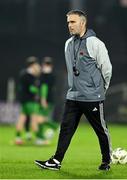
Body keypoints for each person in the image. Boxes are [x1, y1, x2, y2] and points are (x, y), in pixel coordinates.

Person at [35, 10, 112, 171]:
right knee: (66, 128)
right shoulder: (68, 43)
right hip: (73, 96)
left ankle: (106, 161)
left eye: (73, 22)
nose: (69, 25)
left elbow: (107, 69)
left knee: (100, 130)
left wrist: (101, 89)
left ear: (83, 23)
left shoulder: (95, 43)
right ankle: (56, 161)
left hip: (92, 97)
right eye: (68, 22)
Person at [15, 56, 41, 144]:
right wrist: (38, 91)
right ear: (33, 65)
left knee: (22, 118)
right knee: (34, 119)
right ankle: (38, 139)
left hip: (23, 100)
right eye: (36, 64)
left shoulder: (23, 73)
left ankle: (18, 138)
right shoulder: (30, 76)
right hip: (30, 100)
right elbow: (32, 89)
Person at [36, 57, 59, 145]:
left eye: (48, 64)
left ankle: (54, 127)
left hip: (47, 100)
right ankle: (40, 138)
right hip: (46, 99)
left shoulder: (47, 76)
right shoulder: (50, 75)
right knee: (40, 119)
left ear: (51, 66)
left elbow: (44, 88)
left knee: (40, 119)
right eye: (46, 64)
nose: (46, 66)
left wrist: (43, 99)